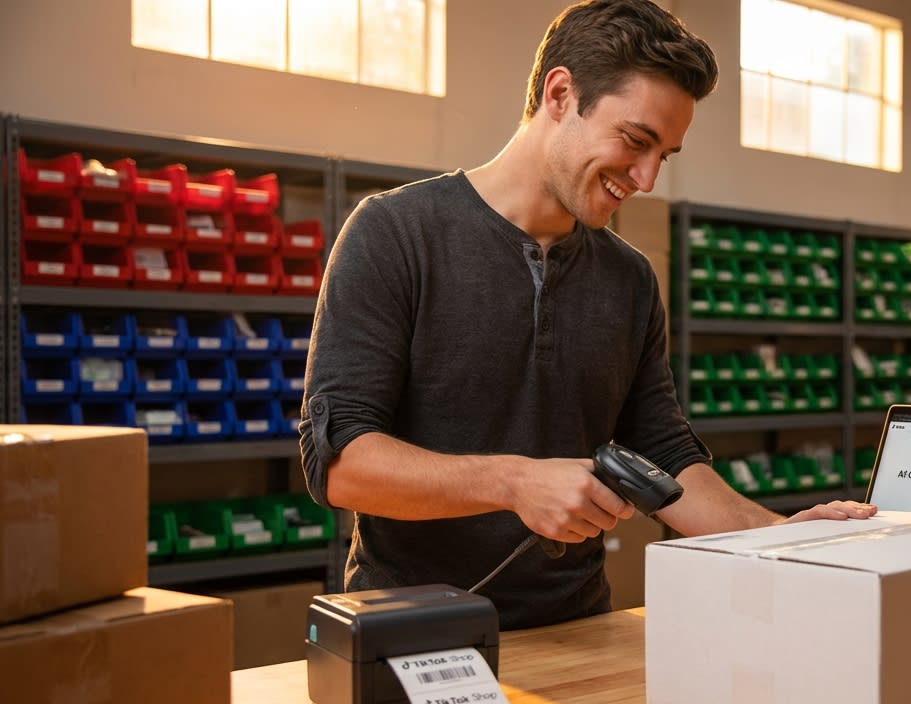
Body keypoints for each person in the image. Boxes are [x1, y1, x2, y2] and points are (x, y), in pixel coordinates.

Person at [299, 0, 876, 630]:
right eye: (635, 140)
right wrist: (513, 482)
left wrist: (777, 534)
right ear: (560, 92)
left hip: (580, 628)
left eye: (666, 155)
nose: (648, 178)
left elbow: (662, 450)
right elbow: (339, 464)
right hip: (407, 630)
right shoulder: (395, 233)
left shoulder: (628, 278)